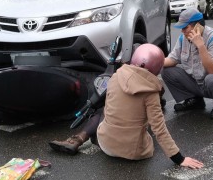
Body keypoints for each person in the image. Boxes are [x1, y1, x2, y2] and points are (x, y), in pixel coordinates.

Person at [48, 43, 204, 169]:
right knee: (149, 128)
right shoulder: (151, 92)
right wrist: (179, 159)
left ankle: (78, 139)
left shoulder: (115, 77)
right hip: (134, 152)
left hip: (106, 146)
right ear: (156, 67)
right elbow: (159, 129)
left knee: (103, 111)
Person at [161, 8, 213, 120]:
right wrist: (151, 62)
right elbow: (172, 59)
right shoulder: (183, 38)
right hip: (197, 82)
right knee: (167, 71)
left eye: (185, 27)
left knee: (212, 79)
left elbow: (212, 70)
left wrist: (200, 45)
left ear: (198, 26)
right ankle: (195, 101)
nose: (182, 31)